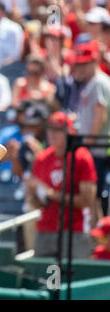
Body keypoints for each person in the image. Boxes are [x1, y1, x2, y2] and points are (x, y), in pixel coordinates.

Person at [25, 111, 97, 259]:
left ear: (70, 132)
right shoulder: (42, 158)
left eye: (58, 129)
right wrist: (34, 194)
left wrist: (51, 193)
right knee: (44, 277)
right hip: (45, 227)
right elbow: (38, 201)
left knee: (74, 277)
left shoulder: (82, 157)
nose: (52, 133)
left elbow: (87, 200)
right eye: (50, 128)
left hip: (74, 229)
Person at [72, 41, 110, 220]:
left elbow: (100, 115)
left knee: (94, 196)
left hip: (96, 149)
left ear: (94, 62)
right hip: (94, 148)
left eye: (84, 63)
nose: (80, 67)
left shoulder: (99, 82)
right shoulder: (92, 83)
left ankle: (99, 239)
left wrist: (85, 145)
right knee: (93, 197)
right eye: (78, 63)